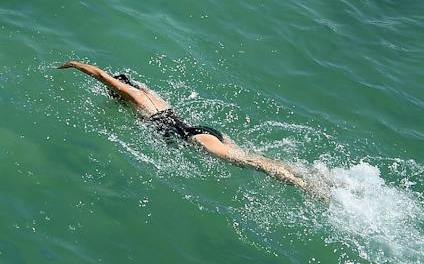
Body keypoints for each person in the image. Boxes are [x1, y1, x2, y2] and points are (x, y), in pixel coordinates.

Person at [57, 61, 312, 191]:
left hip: (194, 137)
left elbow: (102, 76)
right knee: (251, 157)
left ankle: (303, 185)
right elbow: (137, 87)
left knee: (252, 163)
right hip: (201, 130)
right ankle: (307, 174)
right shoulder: (149, 94)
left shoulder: (133, 97)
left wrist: (74, 64)